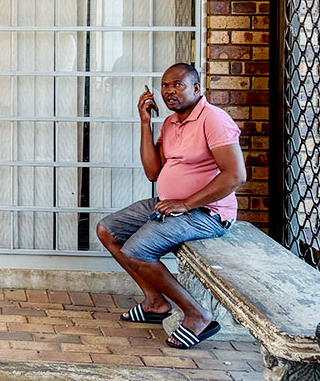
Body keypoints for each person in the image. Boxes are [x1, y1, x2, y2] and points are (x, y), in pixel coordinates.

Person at [96, 62, 246, 350]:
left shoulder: (213, 120)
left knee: (138, 251)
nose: (170, 91)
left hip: (207, 213)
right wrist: (144, 123)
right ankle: (154, 302)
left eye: (178, 84)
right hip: (169, 204)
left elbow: (235, 175)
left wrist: (186, 204)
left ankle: (197, 315)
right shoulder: (171, 122)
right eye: (165, 85)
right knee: (107, 230)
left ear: (196, 88)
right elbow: (153, 172)